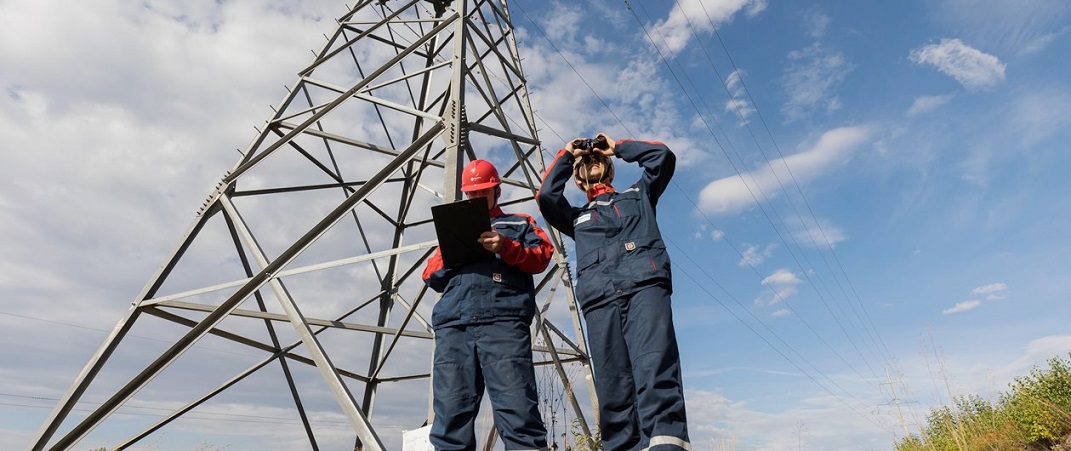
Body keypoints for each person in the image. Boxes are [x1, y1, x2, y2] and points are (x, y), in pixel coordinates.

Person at [536, 134, 690, 450]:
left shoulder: (639, 194)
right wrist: (568, 155)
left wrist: (616, 148)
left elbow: (663, 158)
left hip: (644, 288)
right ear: (577, 181)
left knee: (655, 367)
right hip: (600, 299)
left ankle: (664, 445)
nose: (590, 161)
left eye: (597, 160)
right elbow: (547, 197)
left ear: (609, 168)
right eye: (584, 163)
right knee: (613, 385)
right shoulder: (576, 218)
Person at [423, 159, 554, 451]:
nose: (476, 198)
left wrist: (506, 245)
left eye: (482, 192)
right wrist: (451, 249)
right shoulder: (454, 228)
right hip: (455, 326)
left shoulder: (519, 223)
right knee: (450, 418)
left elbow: (543, 256)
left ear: (497, 191)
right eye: (471, 193)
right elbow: (429, 276)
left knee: (518, 412)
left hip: (503, 323)